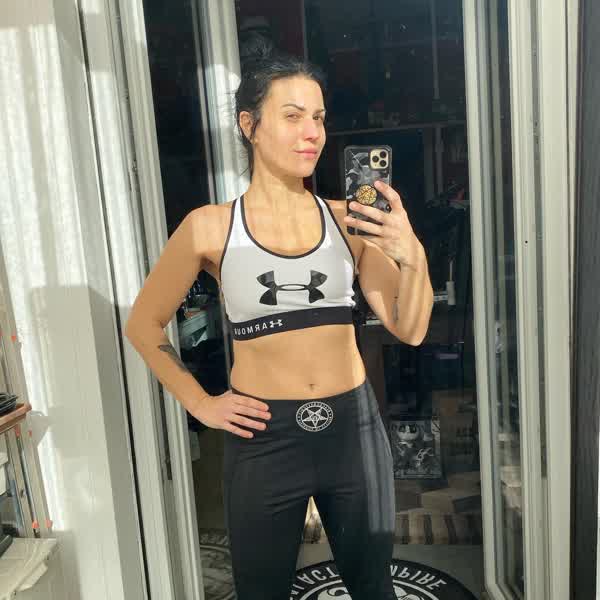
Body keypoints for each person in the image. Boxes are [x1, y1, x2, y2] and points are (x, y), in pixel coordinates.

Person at [125, 41, 433, 600]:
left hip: (353, 430)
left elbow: (409, 328)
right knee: (262, 590)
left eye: (318, 118)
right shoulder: (209, 227)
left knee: (373, 588)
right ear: (250, 125)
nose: (311, 132)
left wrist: (411, 253)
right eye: (292, 116)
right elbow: (143, 324)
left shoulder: (349, 221)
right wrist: (200, 404)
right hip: (264, 438)